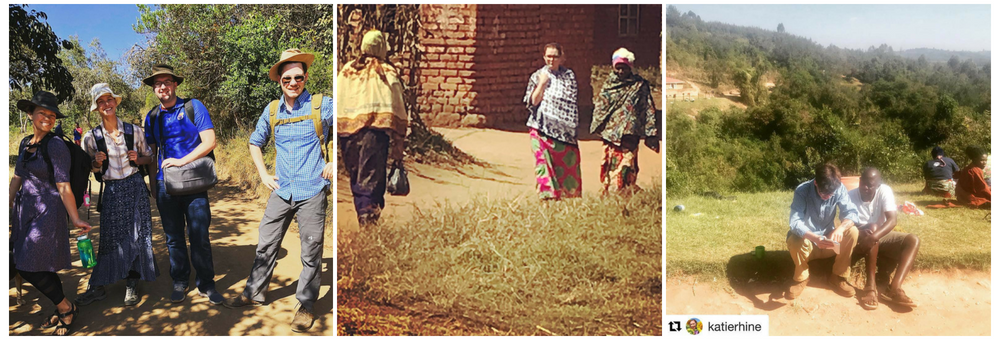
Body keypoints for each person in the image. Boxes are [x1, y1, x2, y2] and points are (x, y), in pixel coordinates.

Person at [225, 49, 333, 332]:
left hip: (312, 189)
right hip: (281, 190)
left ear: (306, 77)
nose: (293, 82)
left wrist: (335, 160)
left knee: (311, 251)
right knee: (266, 243)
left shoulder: (323, 105)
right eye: (288, 77)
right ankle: (254, 293)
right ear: (280, 80)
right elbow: (254, 142)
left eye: (298, 77)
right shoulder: (272, 110)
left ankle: (306, 305)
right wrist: (262, 175)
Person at [10, 91, 92, 335]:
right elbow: (17, 177)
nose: (47, 117)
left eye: (51, 114)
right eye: (42, 113)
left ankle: (66, 308)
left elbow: (63, 185)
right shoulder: (26, 143)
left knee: (25, 265)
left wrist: (75, 217)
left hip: (48, 212)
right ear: (30, 114)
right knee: (39, 265)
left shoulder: (55, 146)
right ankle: (64, 307)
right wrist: (8, 203)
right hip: (25, 211)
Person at [142, 64, 223, 304]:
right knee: (173, 237)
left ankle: (206, 284)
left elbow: (209, 142)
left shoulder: (193, 107)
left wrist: (180, 162)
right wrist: (153, 184)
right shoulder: (152, 117)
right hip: (166, 186)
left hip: (195, 183)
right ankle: (179, 280)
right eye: (158, 84)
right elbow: (152, 153)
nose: (162, 87)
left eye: (167, 82)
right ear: (154, 89)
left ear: (175, 84)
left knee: (199, 235)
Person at [75, 83, 159, 307]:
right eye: (101, 102)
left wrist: (137, 159)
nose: (106, 104)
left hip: (134, 186)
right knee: (110, 238)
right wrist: (96, 162)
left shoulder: (134, 131)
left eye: (109, 99)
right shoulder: (91, 138)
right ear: (97, 108)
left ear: (115, 102)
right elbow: (90, 168)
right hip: (111, 190)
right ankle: (99, 285)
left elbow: (149, 157)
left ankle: (132, 282)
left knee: (137, 235)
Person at [337, 30, 408, 226]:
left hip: (346, 135)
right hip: (373, 134)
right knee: (371, 181)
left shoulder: (347, 70)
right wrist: (399, 139)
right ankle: (368, 225)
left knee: (357, 180)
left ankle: (365, 220)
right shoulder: (386, 72)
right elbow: (397, 106)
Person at [848, 167, 920, 310]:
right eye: (864, 184)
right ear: (860, 181)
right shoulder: (850, 195)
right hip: (858, 235)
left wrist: (873, 236)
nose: (866, 188)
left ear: (878, 185)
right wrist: (866, 234)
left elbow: (892, 220)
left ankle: (895, 288)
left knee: (913, 240)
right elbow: (847, 223)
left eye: (871, 185)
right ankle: (870, 286)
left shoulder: (884, 191)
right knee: (873, 228)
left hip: (878, 234)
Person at [786, 163, 861, 299]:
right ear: (815, 183)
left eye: (831, 194)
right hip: (808, 242)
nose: (827, 197)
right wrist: (814, 238)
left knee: (853, 231)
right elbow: (795, 222)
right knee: (794, 238)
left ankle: (838, 277)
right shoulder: (802, 191)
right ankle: (802, 278)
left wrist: (840, 228)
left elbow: (853, 213)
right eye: (823, 193)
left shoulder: (839, 189)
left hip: (828, 242)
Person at [591, 48, 659, 194]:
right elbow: (600, 107)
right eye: (618, 68)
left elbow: (648, 108)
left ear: (631, 68)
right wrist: (599, 126)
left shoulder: (640, 85)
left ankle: (625, 195)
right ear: (614, 67)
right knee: (610, 166)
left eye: (625, 68)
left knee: (627, 166)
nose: (621, 72)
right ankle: (610, 196)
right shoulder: (609, 85)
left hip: (630, 135)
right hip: (611, 136)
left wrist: (651, 133)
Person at [523, 42, 582, 200]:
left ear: (562, 58)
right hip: (540, 128)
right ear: (544, 57)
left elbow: (570, 101)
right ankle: (546, 200)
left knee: (566, 168)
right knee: (543, 165)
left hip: (565, 132)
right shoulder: (537, 76)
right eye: (548, 56)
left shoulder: (569, 76)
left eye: (555, 56)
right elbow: (533, 101)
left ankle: (566, 199)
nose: (551, 60)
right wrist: (542, 84)